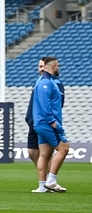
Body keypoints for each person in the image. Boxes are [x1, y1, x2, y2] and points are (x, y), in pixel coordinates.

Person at [32, 56, 69, 193]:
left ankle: (42, 186)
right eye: (57, 65)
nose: (58, 67)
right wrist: (53, 122)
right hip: (47, 124)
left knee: (45, 154)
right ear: (53, 66)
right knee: (64, 148)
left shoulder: (42, 81)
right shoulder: (46, 82)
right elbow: (44, 104)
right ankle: (51, 181)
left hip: (41, 123)